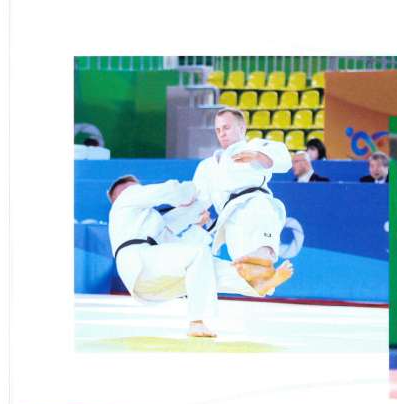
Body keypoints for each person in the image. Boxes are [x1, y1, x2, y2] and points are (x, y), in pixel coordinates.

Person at [106, 174, 289, 338]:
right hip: (139, 260)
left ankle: (257, 282)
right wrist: (194, 191)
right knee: (198, 254)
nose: (139, 190)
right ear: (118, 196)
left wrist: (198, 221)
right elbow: (171, 191)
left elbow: (179, 243)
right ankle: (196, 321)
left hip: (148, 285)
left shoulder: (148, 222)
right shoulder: (126, 200)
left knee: (208, 268)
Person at [193, 107, 295, 278]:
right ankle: (262, 280)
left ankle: (265, 266)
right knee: (245, 272)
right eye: (218, 130)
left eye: (226, 127)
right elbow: (198, 199)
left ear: (242, 128)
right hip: (228, 217)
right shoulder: (207, 166)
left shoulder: (254, 146)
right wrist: (197, 216)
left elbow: (284, 161)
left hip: (254, 203)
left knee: (260, 249)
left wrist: (257, 156)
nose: (222, 133)